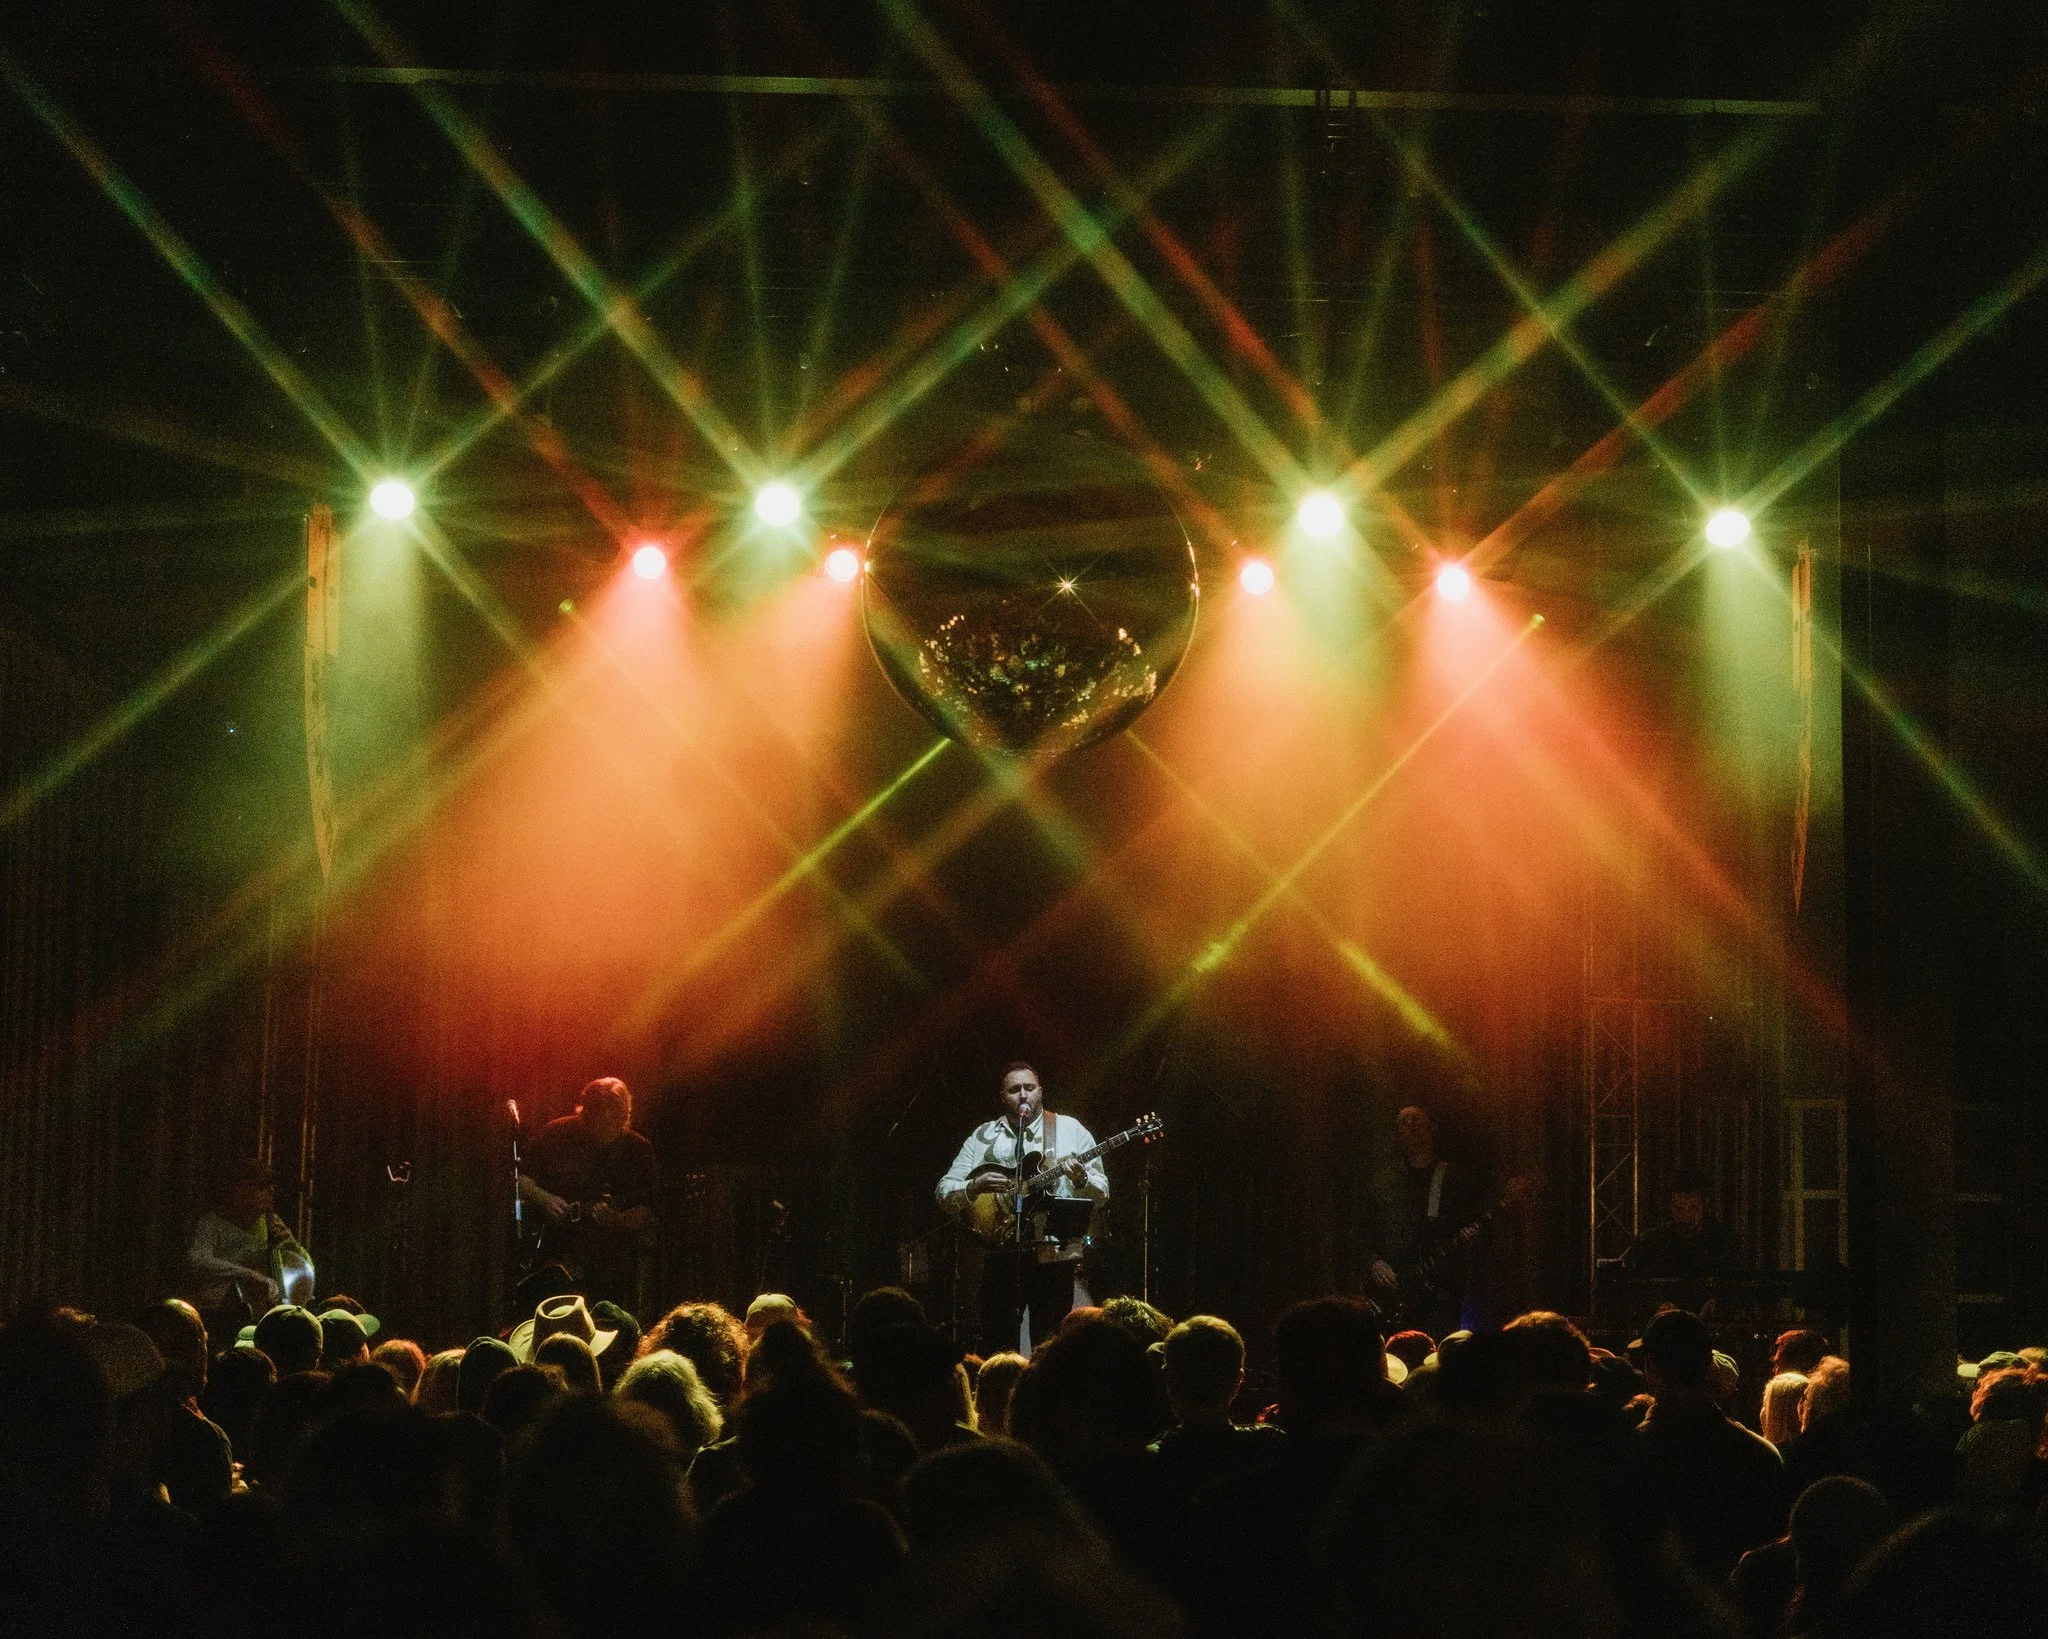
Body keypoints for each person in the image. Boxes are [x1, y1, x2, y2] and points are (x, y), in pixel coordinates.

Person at [936, 1062, 1108, 1352]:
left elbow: (1102, 1192)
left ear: (1040, 1091)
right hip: (1000, 1253)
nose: (1023, 1095)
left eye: (1029, 1088)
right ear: (1003, 1096)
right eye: (1014, 1090)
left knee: (1051, 1344)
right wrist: (972, 1186)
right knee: (997, 1342)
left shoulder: (1069, 1129)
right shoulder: (982, 1136)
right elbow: (943, 1192)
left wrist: (1081, 1178)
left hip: (1054, 1253)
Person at [518, 1077, 659, 1304]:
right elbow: (520, 1178)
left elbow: (649, 1210)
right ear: (585, 1112)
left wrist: (619, 1219)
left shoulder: (638, 1149)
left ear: (622, 1118)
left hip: (612, 1264)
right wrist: (544, 1199)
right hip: (556, 1251)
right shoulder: (556, 1133)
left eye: (611, 1123)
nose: (602, 1129)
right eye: (596, 1120)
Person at [1362, 1104, 1484, 1338]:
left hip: (1439, 1293)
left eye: (1416, 1120)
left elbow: (1474, 1222)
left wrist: (1472, 1237)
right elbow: (1362, 1232)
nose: (1411, 1127)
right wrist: (1374, 1262)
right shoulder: (1383, 1182)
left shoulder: (1454, 1178)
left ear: (1431, 1128)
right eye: (1404, 1122)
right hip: (1394, 1292)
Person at [185, 1159, 311, 1330]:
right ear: (239, 1190)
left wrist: (293, 1249)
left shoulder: (269, 1223)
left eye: (270, 1186)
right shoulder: (211, 1224)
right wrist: (247, 1274)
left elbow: (303, 1266)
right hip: (219, 1313)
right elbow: (197, 1260)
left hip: (258, 1311)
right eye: (261, 1186)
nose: (270, 1192)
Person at [1622, 1169, 1737, 1280]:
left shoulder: (1724, 1242)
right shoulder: (1650, 1243)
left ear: (1703, 1206)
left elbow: (1736, 1288)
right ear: (1670, 1208)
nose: (1686, 1216)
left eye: (1693, 1208)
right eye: (1679, 1209)